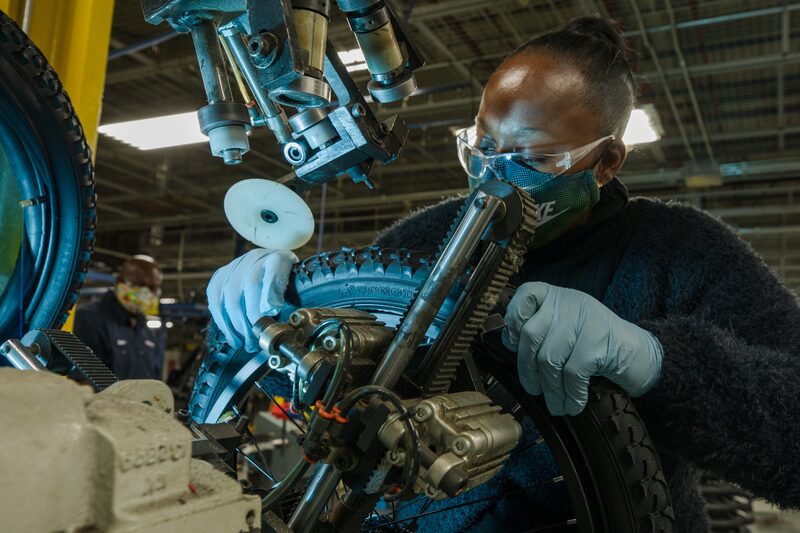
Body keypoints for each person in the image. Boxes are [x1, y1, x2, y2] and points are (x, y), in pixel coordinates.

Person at [206, 17, 800, 531]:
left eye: (534, 158)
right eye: (482, 147)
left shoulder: (682, 252)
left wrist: (656, 360)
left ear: (606, 161)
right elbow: (340, 394)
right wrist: (269, 322)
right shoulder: (428, 240)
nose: (495, 176)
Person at [74, 254, 165, 380]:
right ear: (119, 282)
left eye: (152, 288)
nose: (146, 293)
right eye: (138, 285)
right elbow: (83, 379)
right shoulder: (89, 318)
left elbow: (155, 376)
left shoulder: (148, 331)